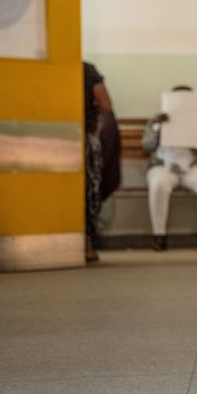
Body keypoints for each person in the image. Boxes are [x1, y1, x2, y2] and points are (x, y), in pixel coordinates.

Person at [143, 85, 197, 251]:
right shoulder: (157, 120)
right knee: (158, 184)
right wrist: (157, 128)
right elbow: (147, 146)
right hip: (163, 165)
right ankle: (159, 235)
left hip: (191, 166)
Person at [83, 61, 115, 263]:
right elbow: (105, 105)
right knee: (87, 191)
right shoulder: (86, 69)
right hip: (84, 137)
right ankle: (87, 243)